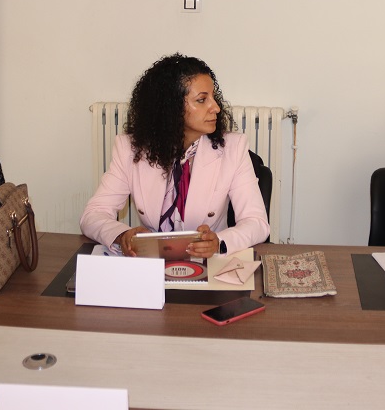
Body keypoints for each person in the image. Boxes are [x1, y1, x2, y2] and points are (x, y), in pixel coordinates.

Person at [80, 54, 269, 258]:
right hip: (152, 261)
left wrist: (219, 242)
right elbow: (93, 215)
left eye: (213, 97)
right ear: (170, 108)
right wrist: (122, 235)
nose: (216, 107)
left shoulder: (233, 148)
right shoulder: (131, 150)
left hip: (207, 263)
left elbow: (257, 223)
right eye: (202, 100)